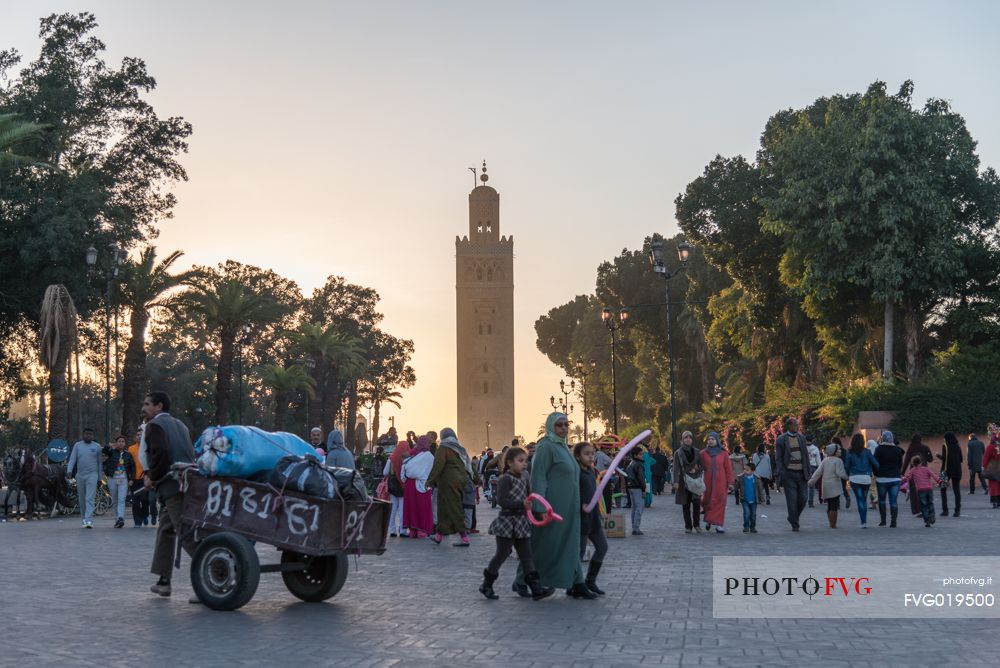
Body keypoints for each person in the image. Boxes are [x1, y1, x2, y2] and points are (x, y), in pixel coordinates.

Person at [513, 413, 595, 600]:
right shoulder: (546, 447)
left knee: (571, 543)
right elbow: (539, 477)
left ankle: (577, 583)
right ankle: (521, 580)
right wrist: (540, 508)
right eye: (559, 425)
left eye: (566, 424)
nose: (564, 428)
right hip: (552, 508)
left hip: (569, 507)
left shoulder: (563, 446)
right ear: (551, 426)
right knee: (544, 545)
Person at [479, 447, 554, 601]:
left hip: (521, 522)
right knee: (501, 554)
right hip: (507, 522)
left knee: (527, 556)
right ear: (509, 462)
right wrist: (522, 504)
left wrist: (536, 512)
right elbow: (502, 501)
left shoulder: (525, 476)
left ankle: (535, 587)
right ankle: (487, 584)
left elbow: (529, 497)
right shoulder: (505, 479)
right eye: (520, 461)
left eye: (525, 461)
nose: (524, 464)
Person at [143, 391, 196, 597]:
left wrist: (152, 477)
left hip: (172, 487)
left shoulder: (154, 426)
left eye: (147, 404)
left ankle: (213, 575)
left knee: (186, 533)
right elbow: (190, 453)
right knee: (166, 529)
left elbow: (161, 455)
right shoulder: (181, 425)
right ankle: (164, 581)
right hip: (186, 482)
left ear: (159, 406)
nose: (144, 408)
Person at [427, 427, 473, 547]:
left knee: (454, 508)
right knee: (443, 509)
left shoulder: (444, 448)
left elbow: (438, 465)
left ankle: (464, 538)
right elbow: (468, 465)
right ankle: (439, 536)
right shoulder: (459, 448)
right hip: (459, 480)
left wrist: (429, 480)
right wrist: (476, 479)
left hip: (448, 482)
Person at [574, 442, 608, 595]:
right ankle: (575, 585)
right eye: (586, 454)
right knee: (579, 553)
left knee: (602, 547)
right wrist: (580, 504)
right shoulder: (575, 473)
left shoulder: (592, 471)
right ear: (577, 456)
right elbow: (572, 493)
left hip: (593, 516)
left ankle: (590, 581)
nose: (590, 456)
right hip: (581, 517)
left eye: (592, 453)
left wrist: (600, 512)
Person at [775, 418, 814, 532]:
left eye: (798, 425)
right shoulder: (781, 439)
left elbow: (805, 456)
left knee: (803, 498)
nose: (798, 426)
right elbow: (779, 458)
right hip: (789, 473)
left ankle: (792, 517)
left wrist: (808, 471)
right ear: (790, 426)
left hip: (802, 473)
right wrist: (782, 471)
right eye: (796, 425)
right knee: (792, 500)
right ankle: (795, 524)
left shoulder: (801, 438)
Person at [67, 427, 102, 529]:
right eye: (86, 434)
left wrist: (99, 478)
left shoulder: (97, 447)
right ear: (83, 435)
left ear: (93, 436)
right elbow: (72, 459)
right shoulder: (77, 445)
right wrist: (69, 471)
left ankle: (89, 520)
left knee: (89, 498)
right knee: (82, 499)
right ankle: (84, 519)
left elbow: (99, 463)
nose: (88, 436)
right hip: (80, 475)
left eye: (90, 434)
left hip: (93, 474)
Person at [700, 431, 734, 533]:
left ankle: (719, 524)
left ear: (717, 440)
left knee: (720, 501)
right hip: (708, 481)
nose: (710, 441)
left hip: (720, 481)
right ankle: (709, 520)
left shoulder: (723, 453)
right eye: (709, 439)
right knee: (708, 500)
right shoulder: (703, 453)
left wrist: (730, 482)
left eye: (712, 439)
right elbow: (698, 465)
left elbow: (728, 468)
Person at [401, 436, 434, 538]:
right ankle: (422, 531)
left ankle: (413, 531)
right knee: (422, 508)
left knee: (411, 507)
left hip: (409, 485)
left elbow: (405, 467)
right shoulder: (429, 455)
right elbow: (430, 471)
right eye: (428, 442)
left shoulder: (411, 452)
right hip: (422, 485)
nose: (429, 444)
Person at [844, 433, 879, 528]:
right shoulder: (867, 452)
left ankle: (863, 522)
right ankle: (865, 521)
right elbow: (876, 464)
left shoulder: (849, 452)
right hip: (866, 478)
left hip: (854, 478)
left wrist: (846, 475)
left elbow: (846, 466)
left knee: (859, 500)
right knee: (864, 499)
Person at [809, 443, 848, 528]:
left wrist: (811, 481)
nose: (840, 451)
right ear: (834, 452)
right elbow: (840, 473)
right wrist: (848, 477)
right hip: (835, 486)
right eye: (838, 450)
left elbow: (818, 472)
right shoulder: (838, 461)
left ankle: (830, 522)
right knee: (834, 505)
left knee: (830, 504)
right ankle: (833, 524)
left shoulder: (825, 460)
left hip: (826, 485)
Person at [673, 431, 704, 533]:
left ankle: (697, 525)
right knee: (685, 504)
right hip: (683, 481)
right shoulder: (678, 452)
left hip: (694, 480)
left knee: (696, 504)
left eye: (690, 438)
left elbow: (702, 466)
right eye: (686, 438)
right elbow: (676, 468)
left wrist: (697, 470)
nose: (688, 439)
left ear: (692, 439)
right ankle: (688, 526)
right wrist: (676, 482)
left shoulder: (697, 451)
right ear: (682, 440)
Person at [102, 435, 135, 529]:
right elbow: (104, 451)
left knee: (121, 499)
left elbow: (132, 467)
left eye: (123, 441)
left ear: (125, 443)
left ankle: (121, 518)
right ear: (116, 443)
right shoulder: (112, 452)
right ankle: (117, 519)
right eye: (119, 441)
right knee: (115, 500)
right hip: (112, 478)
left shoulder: (128, 454)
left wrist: (131, 479)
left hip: (123, 479)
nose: (121, 443)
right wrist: (109, 446)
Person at [873, 430, 903, 528]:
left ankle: (883, 521)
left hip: (882, 479)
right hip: (895, 479)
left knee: (882, 500)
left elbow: (874, 463)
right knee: (893, 501)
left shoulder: (879, 449)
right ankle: (893, 522)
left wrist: (876, 473)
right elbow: (900, 465)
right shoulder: (898, 450)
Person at [900, 456, 941, 527]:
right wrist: (939, 481)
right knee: (930, 503)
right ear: (921, 462)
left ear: (913, 463)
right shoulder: (926, 469)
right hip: (929, 489)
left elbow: (907, 478)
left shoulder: (912, 470)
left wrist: (900, 482)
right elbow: (934, 475)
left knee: (924, 505)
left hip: (921, 490)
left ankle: (927, 520)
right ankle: (932, 516)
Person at [901, 433, 932, 516]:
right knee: (923, 490)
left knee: (914, 492)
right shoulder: (925, 447)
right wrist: (928, 453)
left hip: (913, 472)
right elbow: (930, 459)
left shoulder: (911, 447)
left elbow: (906, 460)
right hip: (924, 472)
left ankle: (917, 510)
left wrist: (902, 473)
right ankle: (925, 509)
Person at [383, 439, 409, 537]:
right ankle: (402, 530)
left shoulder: (391, 458)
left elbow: (385, 472)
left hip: (393, 486)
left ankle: (392, 530)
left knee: (393, 509)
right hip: (403, 486)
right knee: (402, 509)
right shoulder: (408, 459)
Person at [937, 431, 963, 517]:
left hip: (946, 470)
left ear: (947, 438)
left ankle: (945, 511)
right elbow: (961, 459)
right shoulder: (957, 446)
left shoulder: (945, 445)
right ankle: (957, 510)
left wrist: (938, 456)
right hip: (957, 470)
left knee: (943, 490)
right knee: (957, 491)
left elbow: (944, 458)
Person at [128, 427, 149, 527]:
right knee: (135, 501)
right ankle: (137, 521)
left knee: (145, 499)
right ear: (134, 438)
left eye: (141, 435)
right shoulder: (131, 449)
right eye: (137, 435)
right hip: (134, 479)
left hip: (144, 478)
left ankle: (145, 515)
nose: (139, 436)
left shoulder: (148, 447)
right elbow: (128, 464)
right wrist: (130, 478)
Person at [737, 461, 765, 533]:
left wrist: (762, 499)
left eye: (747, 470)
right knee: (746, 514)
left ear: (752, 471)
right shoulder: (741, 478)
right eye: (744, 469)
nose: (745, 471)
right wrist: (732, 487)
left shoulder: (756, 479)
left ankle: (752, 527)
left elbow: (760, 490)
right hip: (745, 499)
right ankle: (746, 526)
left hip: (754, 500)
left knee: (753, 515)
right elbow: (736, 486)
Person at [625, 447, 647, 535]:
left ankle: (634, 526)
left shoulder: (631, 463)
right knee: (639, 507)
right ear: (635, 455)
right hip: (637, 488)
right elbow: (641, 478)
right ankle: (636, 528)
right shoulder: (638, 464)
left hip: (631, 488)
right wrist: (644, 489)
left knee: (634, 508)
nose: (642, 456)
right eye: (640, 454)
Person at [594, 444, 614, 511]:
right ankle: (607, 513)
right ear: (603, 448)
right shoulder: (602, 455)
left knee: (598, 497)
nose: (608, 450)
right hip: (604, 478)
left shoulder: (595, 454)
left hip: (595, 477)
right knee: (607, 497)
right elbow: (612, 463)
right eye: (607, 449)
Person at [983, 430, 1000, 508]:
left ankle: (994, 502)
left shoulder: (990, 447)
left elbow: (986, 457)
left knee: (993, 485)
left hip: (993, 467)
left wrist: (984, 466)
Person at [805, 435, 821, 507]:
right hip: (813, 467)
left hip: (804, 468)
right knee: (811, 486)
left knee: (804, 485)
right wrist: (820, 469)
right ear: (812, 441)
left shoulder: (803, 448)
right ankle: (810, 502)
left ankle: (803, 500)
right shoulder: (815, 448)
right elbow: (818, 460)